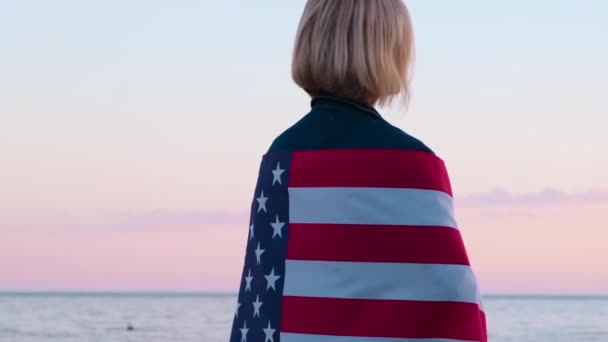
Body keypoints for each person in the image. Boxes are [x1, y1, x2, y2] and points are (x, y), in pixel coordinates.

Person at [229, 1, 487, 341]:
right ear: (390, 51)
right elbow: (451, 297)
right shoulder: (413, 162)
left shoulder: (282, 155)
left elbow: (263, 306)